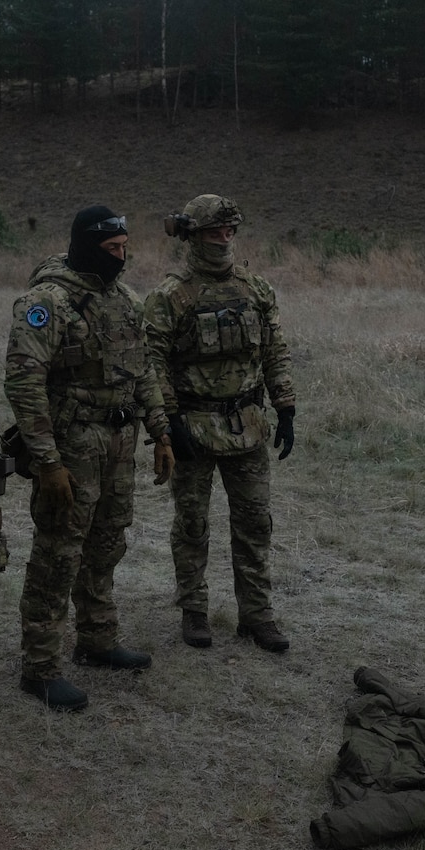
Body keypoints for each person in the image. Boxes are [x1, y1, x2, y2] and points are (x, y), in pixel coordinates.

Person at [5, 206, 175, 712]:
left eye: (125, 249)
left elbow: (142, 370)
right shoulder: (47, 302)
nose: (120, 259)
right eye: (111, 250)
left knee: (106, 543)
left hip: (120, 442)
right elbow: (23, 382)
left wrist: (161, 431)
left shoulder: (125, 301)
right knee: (59, 552)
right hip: (73, 443)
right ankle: (40, 665)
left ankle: (97, 638)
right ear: (85, 246)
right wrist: (47, 461)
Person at [144, 194, 297, 652]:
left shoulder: (256, 290)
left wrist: (285, 405)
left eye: (230, 232)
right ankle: (194, 610)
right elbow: (152, 362)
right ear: (193, 236)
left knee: (255, 523)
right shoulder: (171, 296)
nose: (224, 240)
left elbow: (274, 349)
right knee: (192, 523)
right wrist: (168, 422)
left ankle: (257, 614)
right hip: (192, 427)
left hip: (247, 426)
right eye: (214, 233)